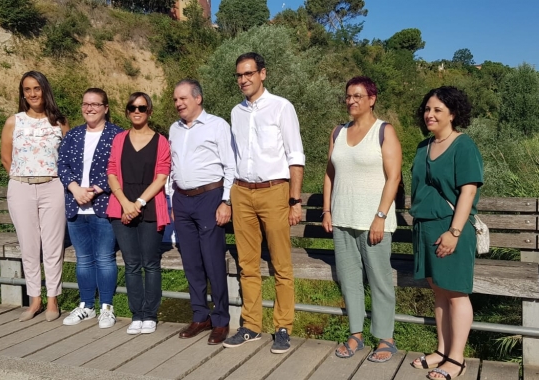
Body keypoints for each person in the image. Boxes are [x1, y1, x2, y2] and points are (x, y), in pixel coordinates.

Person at [222, 52, 305, 354]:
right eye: (239, 75)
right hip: (242, 192)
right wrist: (228, 196)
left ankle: (283, 327)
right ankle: (251, 326)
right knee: (247, 265)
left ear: (262, 74)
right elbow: (233, 160)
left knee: (282, 265)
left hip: (274, 191)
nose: (243, 80)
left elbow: (295, 156)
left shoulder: (282, 108)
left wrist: (295, 200)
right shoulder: (236, 112)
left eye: (248, 74)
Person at [322, 76, 402, 363]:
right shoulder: (338, 133)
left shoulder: (384, 131)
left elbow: (394, 177)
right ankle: (356, 333)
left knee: (379, 280)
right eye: (348, 96)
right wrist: (327, 210)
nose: (351, 101)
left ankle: (385, 338)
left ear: (371, 99)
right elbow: (330, 173)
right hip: (342, 218)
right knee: (350, 280)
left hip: (373, 222)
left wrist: (380, 216)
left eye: (358, 96)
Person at [409, 86, 483, 380]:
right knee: (439, 292)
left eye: (438, 110)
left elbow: (468, 191)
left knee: (456, 293)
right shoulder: (422, 146)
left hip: (451, 228)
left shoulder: (463, 146)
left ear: (453, 114)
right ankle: (441, 350)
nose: (430, 114)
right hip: (424, 227)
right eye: (428, 109)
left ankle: (457, 358)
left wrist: (454, 231)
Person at [169, 79, 235, 345]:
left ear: (198, 98)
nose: (178, 104)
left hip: (210, 197)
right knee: (191, 263)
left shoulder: (217, 125)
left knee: (212, 261)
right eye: (175, 100)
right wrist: (173, 201)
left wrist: (226, 201)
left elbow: (231, 166)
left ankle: (220, 320)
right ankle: (200, 316)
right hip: (182, 201)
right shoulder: (174, 129)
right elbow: (172, 167)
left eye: (183, 98)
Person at [0, 71, 69, 322]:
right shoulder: (13, 122)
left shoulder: (59, 122)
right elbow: (6, 158)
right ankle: (34, 300)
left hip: (53, 187)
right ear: (23, 93)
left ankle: (53, 299)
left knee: (53, 246)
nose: (32, 94)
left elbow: (67, 159)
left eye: (37, 88)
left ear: (45, 90)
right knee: (29, 247)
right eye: (27, 89)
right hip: (21, 188)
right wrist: (24, 178)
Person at [58, 88, 123, 329]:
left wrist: (96, 189)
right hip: (76, 206)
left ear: (106, 108)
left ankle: (107, 307)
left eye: (96, 104)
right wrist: (75, 189)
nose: (90, 108)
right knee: (83, 259)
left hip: (103, 206)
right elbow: (61, 165)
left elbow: (120, 168)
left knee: (105, 259)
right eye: (86, 104)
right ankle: (86, 306)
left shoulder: (117, 135)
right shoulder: (73, 135)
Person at [107, 92, 171, 335]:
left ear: (149, 112)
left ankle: (150, 314)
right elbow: (111, 171)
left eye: (142, 108)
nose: (137, 111)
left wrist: (138, 203)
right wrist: (125, 203)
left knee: (151, 264)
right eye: (132, 107)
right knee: (132, 264)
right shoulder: (119, 139)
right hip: (122, 207)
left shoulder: (161, 141)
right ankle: (137, 314)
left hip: (151, 207)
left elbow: (162, 177)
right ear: (126, 111)